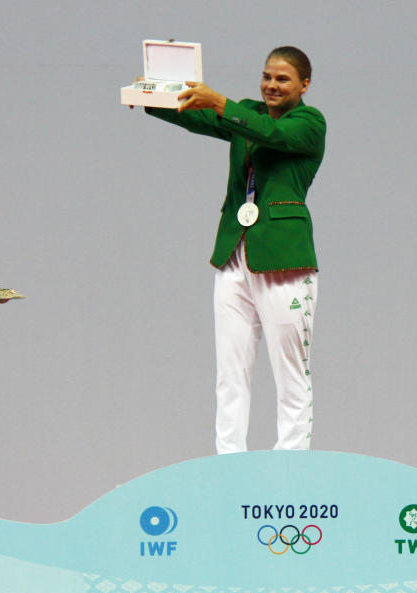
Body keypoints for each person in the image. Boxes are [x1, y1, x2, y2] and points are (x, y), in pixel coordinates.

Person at [139, 46, 325, 454]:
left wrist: (222, 103)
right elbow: (201, 117)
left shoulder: (310, 122)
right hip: (234, 256)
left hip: (284, 260)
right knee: (230, 371)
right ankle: (228, 463)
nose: (271, 85)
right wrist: (153, 97)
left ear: (304, 85)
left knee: (291, 372)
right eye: (267, 77)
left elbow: (270, 133)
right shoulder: (245, 111)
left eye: (282, 79)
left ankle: (290, 465)